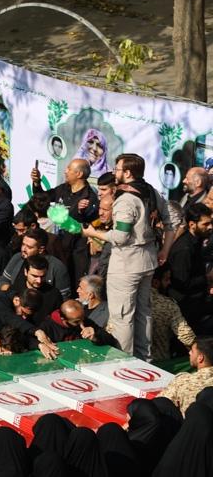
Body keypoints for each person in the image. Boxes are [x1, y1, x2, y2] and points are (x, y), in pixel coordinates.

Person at [83, 153, 161, 358]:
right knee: (143, 313)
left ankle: (122, 362)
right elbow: (172, 220)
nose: (114, 172)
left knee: (122, 317)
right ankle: (145, 359)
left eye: (117, 169)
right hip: (148, 261)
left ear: (127, 173)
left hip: (127, 265)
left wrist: (94, 233)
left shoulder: (125, 200)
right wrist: (165, 250)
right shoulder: (151, 191)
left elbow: (120, 236)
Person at [161, 337, 213, 412]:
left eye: (192, 351)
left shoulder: (183, 380)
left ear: (200, 358)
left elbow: (161, 403)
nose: (189, 353)